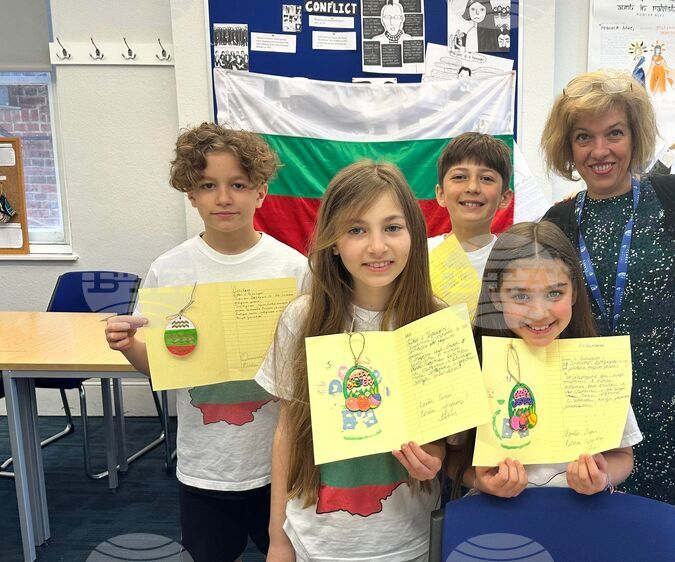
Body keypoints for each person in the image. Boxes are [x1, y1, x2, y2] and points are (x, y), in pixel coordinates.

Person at [104, 123, 309, 562]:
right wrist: (129, 346)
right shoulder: (169, 269)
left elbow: (310, 365)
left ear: (261, 192)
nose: (224, 197)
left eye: (238, 184)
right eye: (208, 185)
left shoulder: (293, 268)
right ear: (191, 195)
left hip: (279, 462)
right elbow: (161, 366)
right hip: (204, 465)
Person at [256, 161, 445, 561]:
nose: (377, 246)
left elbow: (445, 433)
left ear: (415, 234)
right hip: (316, 538)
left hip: (407, 537)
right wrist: (277, 536)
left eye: (392, 227)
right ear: (332, 242)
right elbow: (287, 431)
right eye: (356, 230)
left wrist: (436, 459)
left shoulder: (434, 320)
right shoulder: (301, 318)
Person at [539, 69, 675, 505]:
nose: (600, 150)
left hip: (670, 404)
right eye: (583, 137)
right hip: (590, 409)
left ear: (635, 136)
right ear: (568, 146)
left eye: (614, 133)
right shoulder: (556, 223)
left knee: (667, 527)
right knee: (596, 522)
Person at [447, 221, 642, 498]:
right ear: (496, 297)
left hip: (580, 512)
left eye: (554, 293)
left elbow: (623, 455)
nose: (539, 312)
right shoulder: (474, 366)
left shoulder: (596, 365)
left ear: (574, 292)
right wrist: (481, 481)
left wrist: (602, 476)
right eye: (520, 295)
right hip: (499, 515)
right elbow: (453, 457)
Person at [428, 132, 513, 278]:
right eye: (459, 177)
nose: (473, 187)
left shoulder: (514, 261)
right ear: (441, 194)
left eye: (486, 178)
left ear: (504, 197)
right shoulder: (417, 255)